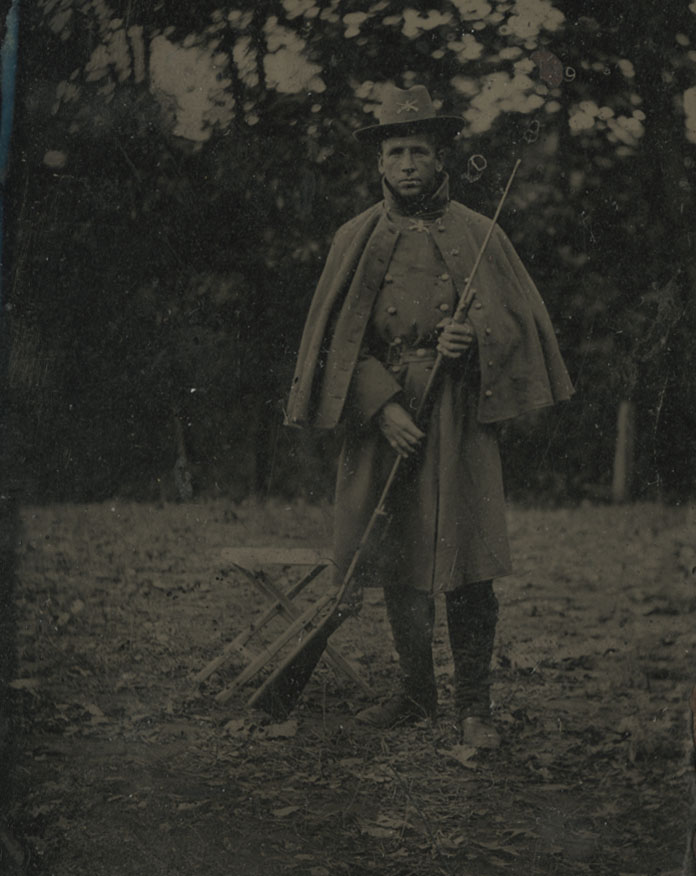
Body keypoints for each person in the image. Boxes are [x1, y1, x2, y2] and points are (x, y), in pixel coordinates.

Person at [285, 85, 573, 744]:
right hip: (387, 417)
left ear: (443, 157)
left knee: (467, 559)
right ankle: (416, 695)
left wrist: (472, 346)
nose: (408, 163)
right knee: (397, 556)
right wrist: (381, 405)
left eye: (420, 150)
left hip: (458, 416)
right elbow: (338, 342)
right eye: (396, 151)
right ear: (379, 164)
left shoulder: (481, 233)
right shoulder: (355, 238)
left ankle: (475, 706)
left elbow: (518, 331)